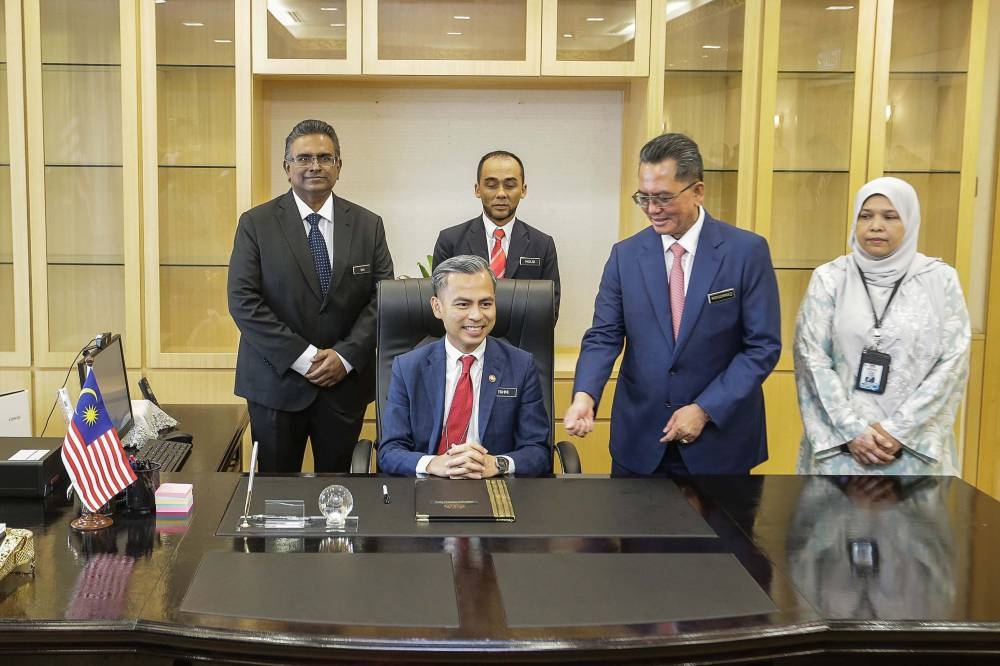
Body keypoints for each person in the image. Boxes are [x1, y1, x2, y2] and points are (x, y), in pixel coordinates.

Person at [563, 133, 781, 475]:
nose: (652, 210)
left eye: (663, 198)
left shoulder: (745, 252)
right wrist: (585, 395)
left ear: (697, 191)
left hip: (720, 444)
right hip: (641, 442)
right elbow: (603, 336)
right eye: (644, 198)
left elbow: (761, 348)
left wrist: (705, 409)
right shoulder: (626, 256)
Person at [228, 119, 394, 473]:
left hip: (343, 385)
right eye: (304, 158)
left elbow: (383, 297)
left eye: (324, 157)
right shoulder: (256, 224)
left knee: (338, 495)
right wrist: (305, 358)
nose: (314, 166)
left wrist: (345, 356)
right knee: (275, 496)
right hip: (276, 382)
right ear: (287, 168)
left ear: (338, 166)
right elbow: (243, 300)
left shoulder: (368, 224)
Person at [794, 177, 970, 475]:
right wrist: (853, 431)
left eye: (890, 216)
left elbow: (952, 362)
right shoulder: (830, 278)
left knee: (916, 523)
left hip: (913, 452)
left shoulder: (940, 280)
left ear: (911, 222)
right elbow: (811, 359)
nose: (876, 226)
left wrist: (897, 431)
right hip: (841, 450)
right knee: (836, 523)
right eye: (866, 216)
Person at [377, 255, 550, 477]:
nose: (477, 315)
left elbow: (538, 451)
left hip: (495, 486)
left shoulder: (521, 365)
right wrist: (433, 464)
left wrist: (497, 464)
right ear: (437, 307)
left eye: (486, 304)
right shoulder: (408, 367)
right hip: (427, 484)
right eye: (463, 304)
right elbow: (389, 451)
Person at [432, 150, 561, 320]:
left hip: (521, 343)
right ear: (477, 190)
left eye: (510, 185)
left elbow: (549, 309)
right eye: (491, 185)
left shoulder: (542, 244)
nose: (501, 193)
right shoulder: (450, 240)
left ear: (523, 190)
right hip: (466, 340)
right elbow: (441, 305)